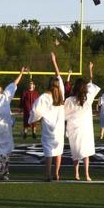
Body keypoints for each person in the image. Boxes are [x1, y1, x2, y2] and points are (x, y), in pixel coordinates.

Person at [28, 52, 65, 181]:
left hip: (49, 128)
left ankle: (48, 175)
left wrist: (35, 119)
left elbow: (36, 112)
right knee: (58, 151)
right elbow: (59, 76)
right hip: (59, 128)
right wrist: (54, 62)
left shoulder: (44, 97)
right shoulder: (61, 95)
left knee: (49, 152)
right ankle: (56, 173)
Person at [64, 62, 101, 181]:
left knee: (75, 152)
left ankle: (76, 174)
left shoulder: (70, 100)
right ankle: (87, 174)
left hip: (74, 128)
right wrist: (90, 69)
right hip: (85, 128)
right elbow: (91, 84)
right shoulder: (88, 98)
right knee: (86, 152)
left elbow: (63, 113)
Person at [0, 69, 23, 181]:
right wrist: (21, 73)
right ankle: (4, 173)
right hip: (4, 130)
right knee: (5, 152)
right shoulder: (5, 98)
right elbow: (14, 84)